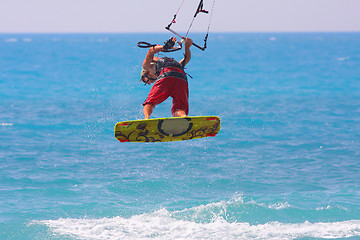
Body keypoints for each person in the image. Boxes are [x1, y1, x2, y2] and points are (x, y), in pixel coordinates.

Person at [140, 37, 193, 119]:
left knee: (149, 102)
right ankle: (183, 116)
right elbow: (187, 59)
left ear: (145, 73)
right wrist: (187, 46)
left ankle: (146, 118)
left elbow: (151, 50)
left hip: (166, 76)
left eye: (146, 80)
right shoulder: (174, 64)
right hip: (181, 77)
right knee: (179, 108)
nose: (151, 82)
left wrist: (164, 47)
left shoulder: (147, 66)